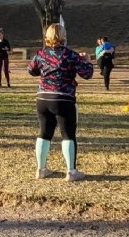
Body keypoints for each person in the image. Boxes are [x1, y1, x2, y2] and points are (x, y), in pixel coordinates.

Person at [28, 23, 93, 182]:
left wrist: (43, 71)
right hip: (63, 98)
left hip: (42, 98)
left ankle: (40, 169)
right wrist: (88, 60)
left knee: (44, 133)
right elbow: (87, 74)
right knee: (68, 134)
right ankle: (71, 171)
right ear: (63, 36)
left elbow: (31, 70)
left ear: (47, 37)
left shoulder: (41, 54)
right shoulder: (70, 55)